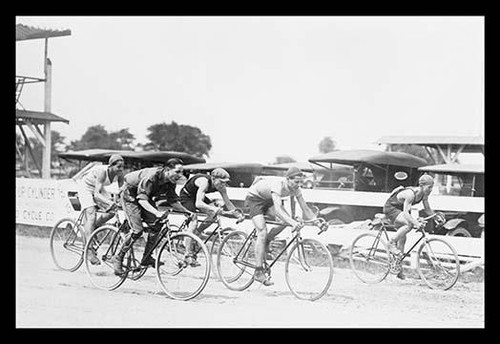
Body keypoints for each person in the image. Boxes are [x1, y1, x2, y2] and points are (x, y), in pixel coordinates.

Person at [110, 158, 195, 275]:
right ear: (167, 170)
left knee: (157, 224)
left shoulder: (171, 181)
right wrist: (156, 212)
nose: (179, 175)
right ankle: (118, 257)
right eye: (177, 172)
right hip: (130, 195)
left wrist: (187, 212)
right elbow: (141, 200)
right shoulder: (152, 177)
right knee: (137, 230)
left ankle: (146, 258)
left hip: (144, 196)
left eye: (181, 172)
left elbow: (173, 201)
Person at [244, 167, 319, 286]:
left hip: (268, 200)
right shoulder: (278, 185)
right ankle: (258, 271)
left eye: (300, 182)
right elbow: (278, 210)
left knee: (286, 220)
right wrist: (293, 222)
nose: (298, 185)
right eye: (296, 182)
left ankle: (268, 240)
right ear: (288, 179)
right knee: (262, 231)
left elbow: (305, 208)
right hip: (254, 199)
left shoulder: (296, 188)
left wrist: (317, 221)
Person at [383, 174, 444, 279]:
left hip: (401, 210)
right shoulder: (410, 194)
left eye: (432, 187)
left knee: (402, 240)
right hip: (391, 208)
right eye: (429, 187)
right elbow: (406, 214)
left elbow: (427, 209)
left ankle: (398, 271)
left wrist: (435, 217)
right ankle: (390, 243)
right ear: (422, 186)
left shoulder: (424, 194)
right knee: (409, 224)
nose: (431, 190)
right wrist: (416, 223)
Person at [179, 168, 242, 266]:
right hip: (187, 197)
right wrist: (214, 209)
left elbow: (228, 203)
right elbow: (199, 203)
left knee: (213, 215)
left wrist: (237, 214)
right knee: (194, 220)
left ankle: (196, 234)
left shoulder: (221, 186)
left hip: (198, 195)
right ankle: (187, 255)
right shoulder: (204, 182)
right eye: (221, 182)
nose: (223, 185)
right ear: (213, 178)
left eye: (225, 183)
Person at [77, 154, 125, 265]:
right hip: (86, 187)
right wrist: (109, 202)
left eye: (122, 166)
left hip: (98, 188)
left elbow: (122, 192)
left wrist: (123, 203)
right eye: (118, 167)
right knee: (91, 214)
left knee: (112, 212)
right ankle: (88, 249)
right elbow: (97, 194)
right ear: (111, 166)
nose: (121, 169)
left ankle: (93, 229)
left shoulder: (120, 174)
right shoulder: (102, 172)